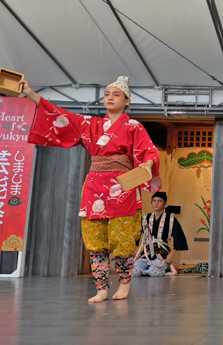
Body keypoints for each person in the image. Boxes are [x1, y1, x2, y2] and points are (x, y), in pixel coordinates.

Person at [22, 76, 161, 303]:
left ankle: (124, 283)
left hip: (122, 186)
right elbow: (61, 116)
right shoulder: (90, 124)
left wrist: (147, 164)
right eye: (107, 94)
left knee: (123, 238)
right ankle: (102, 289)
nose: (110, 98)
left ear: (127, 101)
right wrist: (30, 93)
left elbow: (149, 151)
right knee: (95, 241)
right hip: (94, 187)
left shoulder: (133, 126)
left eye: (116, 95)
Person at [133, 192, 188, 277]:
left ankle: (164, 268)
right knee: (135, 272)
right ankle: (147, 268)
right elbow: (136, 235)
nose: (156, 203)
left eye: (159, 201)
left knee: (153, 273)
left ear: (164, 203)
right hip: (146, 254)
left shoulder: (171, 219)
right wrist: (135, 253)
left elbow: (179, 238)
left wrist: (170, 256)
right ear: (151, 202)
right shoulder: (145, 218)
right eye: (154, 201)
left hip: (162, 256)